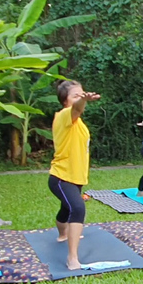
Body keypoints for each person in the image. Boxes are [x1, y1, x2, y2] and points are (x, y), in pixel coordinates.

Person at [48, 80, 100, 270]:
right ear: (65, 101)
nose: (80, 97)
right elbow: (77, 109)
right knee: (77, 208)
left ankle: (62, 234)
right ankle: (72, 258)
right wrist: (83, 100)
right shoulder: (64, 116)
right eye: (75, 95)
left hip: (75, 176)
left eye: (82, 93)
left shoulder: (78, 123)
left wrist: (81, 99)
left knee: (66, 209)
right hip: (61, 177)